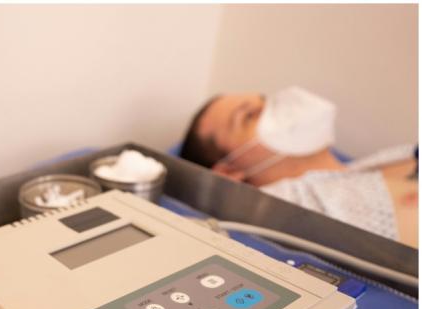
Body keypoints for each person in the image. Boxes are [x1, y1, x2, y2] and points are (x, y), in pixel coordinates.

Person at [179, 87, 418, 247]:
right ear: (229, 171)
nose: (277, 108)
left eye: (266, 101)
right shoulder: (284, 203)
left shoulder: (378, 163)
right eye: (250, 115)